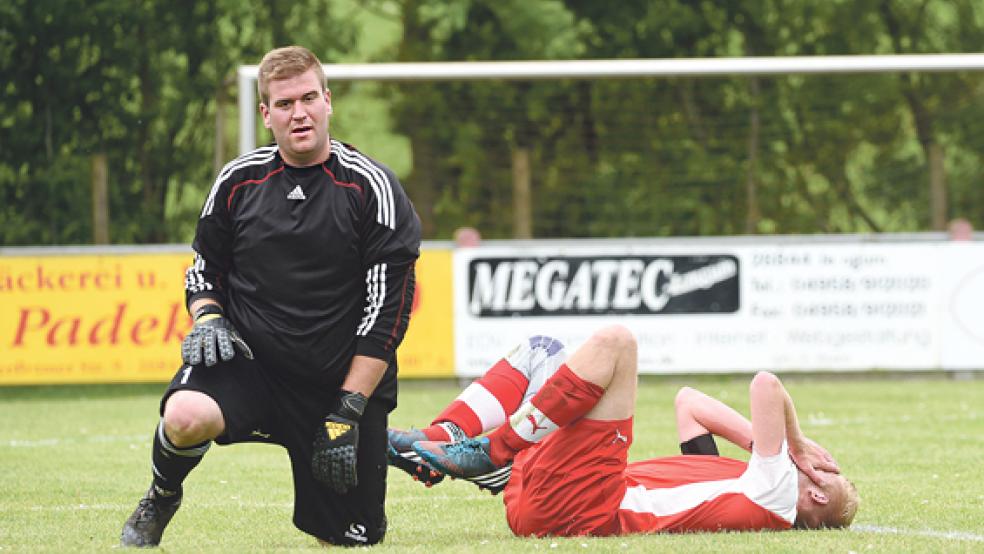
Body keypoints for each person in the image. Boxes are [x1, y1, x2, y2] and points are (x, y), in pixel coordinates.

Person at [121, 45, 421, 547]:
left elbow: (386, 316)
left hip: (336, 382)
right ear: (265, 114)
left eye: (308, 98)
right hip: (251, 364)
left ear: (328, 101)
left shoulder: (372, 188)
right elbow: (204, 266)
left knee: (352, 539)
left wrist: (348, 408)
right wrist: (209, 317)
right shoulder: (238, 180)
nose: (298, 113)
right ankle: (161, 493)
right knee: (184, 414)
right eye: (284, 104)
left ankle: (361, 451)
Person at [388, 326, 859, 536]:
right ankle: (443, 440)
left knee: (617, 344)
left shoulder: (775, 497)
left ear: (816, 493)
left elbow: (766, 385)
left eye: (827, 471)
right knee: (542, 351)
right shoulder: (742, 483)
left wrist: (794, 444)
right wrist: (760, 445)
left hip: (588, 505)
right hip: (558, 498)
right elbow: (689, 403)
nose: (818, 463)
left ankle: (494, 452)